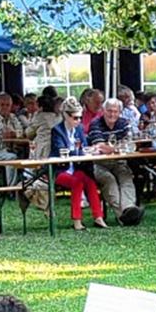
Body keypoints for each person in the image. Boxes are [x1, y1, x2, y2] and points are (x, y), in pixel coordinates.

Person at [51, 96, 107, 231]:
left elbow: (84, 146)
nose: (78, 121)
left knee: (90, 182)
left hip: (76, 167)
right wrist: (78, 152)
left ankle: (98, 217)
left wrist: (89, 150)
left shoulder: (79, 129)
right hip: (60, 170)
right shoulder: (57, 130)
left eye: (80, 117)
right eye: (75, 118)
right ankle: (77, 220)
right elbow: (60, 150)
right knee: (77, 183)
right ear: (66, 115)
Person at [86, 98, 142, 226]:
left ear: (119, 112)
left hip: (119, 161)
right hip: (98, 163)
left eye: (115, 111)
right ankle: (124, 216)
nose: (112, 114)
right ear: (103, 111)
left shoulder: (123, 123)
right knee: (109, 180)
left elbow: (129, 143)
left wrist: (110, 148)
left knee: (126, 177)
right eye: (109, 111)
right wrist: (117, 147)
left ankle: (128, 209)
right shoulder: (95, 124)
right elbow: (100, 146)